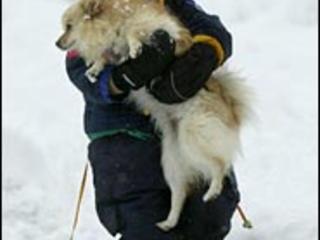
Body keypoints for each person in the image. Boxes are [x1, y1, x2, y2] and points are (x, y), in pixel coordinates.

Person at [65, 0, 240, 239]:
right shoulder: (89, 15)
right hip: (124, 143)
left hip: (185, 124)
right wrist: (121, 79)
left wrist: (201, 58)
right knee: (144, 225)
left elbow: (212, 30)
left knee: (208, 218)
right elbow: (82, 71)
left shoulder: (170, 4)